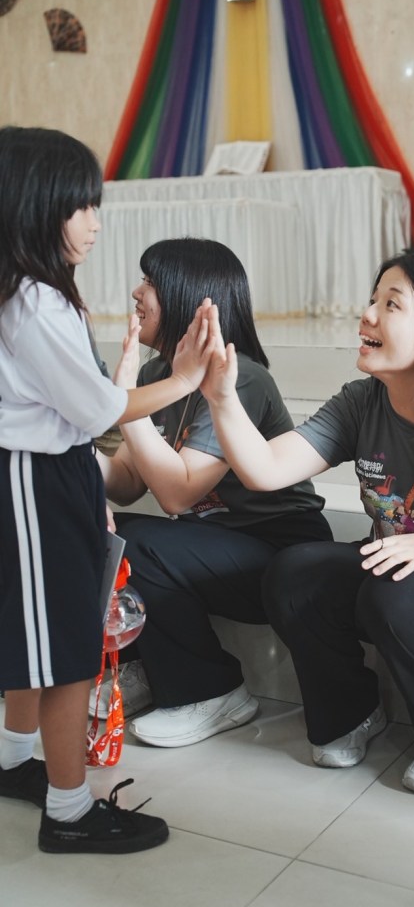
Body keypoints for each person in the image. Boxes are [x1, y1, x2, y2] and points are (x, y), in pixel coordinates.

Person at [200, 252, 414, 793]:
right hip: (398, 569)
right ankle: (351, 714)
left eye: (391, 305)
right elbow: (266, 469)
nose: (367, 315)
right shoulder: (363, 402)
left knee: (399, 593)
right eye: (372, 299)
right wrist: (221, 399)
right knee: (296, 572)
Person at [0, 126, 214, 853]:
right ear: (35, 206)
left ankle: (13, 761)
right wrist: (181, 379)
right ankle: (68, 813)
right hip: (32, 477)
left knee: (43, 634)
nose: (95, 222)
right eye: (81, 206)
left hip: (50, 472)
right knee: (63, 646)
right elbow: (96, 411)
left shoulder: (34, 293)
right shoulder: (34, 301)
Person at [95, 238, 332, 748]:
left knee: (142, 545)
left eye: (150, 283)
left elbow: (177, 495)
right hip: (209, 543)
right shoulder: (160, 375)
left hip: (276, 550)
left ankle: (213, 691)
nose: (137, 293)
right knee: (101, 533)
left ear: (185, 295)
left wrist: (126, 401)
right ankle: (143, 667)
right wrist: (66, 451)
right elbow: (129, 481)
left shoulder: (239, 378)